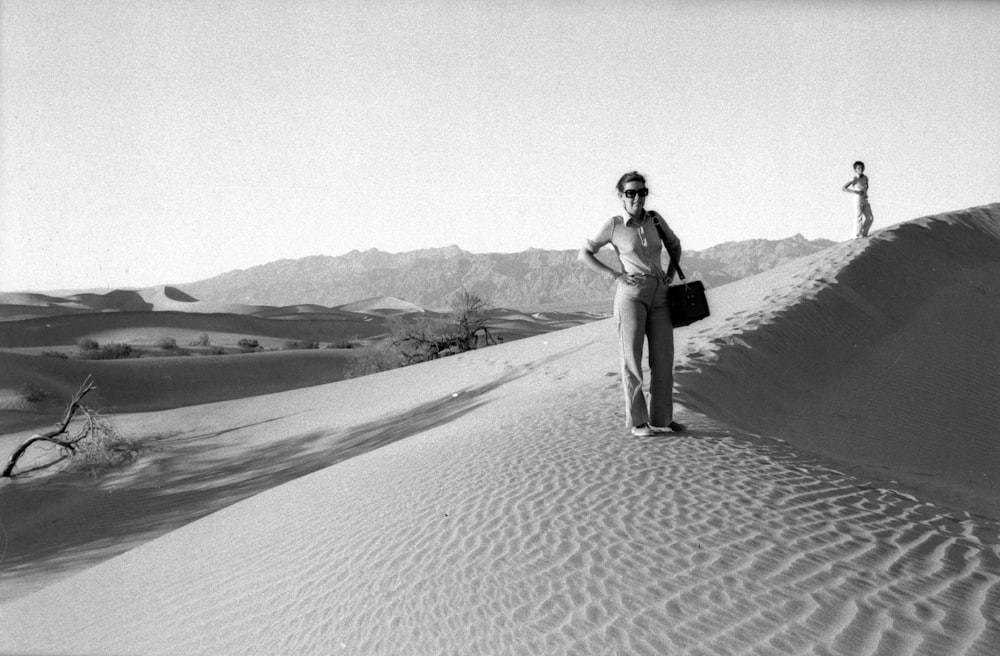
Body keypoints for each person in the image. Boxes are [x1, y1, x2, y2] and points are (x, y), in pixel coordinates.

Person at [578, 171, 686, 437]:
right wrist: (614, 275)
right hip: (631, 294)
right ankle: (639, 423)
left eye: (641, 192)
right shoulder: (614, 225)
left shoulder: (656, 220)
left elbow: (675, 245)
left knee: (663, 359)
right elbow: (584, 254)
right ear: (621, 195)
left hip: (660, 294)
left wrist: (669, 275)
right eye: (631, 193)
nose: (637, 197)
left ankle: (662, 419)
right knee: (632, 361)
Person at [842, 160, 874, 238]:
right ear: (855, 169)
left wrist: (866, 193)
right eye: (858, 168)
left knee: (870, 217)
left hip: (865, 198)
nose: (860, 169)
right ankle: (857, 236)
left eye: (862, 168)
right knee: (859, 217)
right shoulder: (854, 178)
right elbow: (844, 188)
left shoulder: (865, 177)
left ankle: (863, 233)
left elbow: (866, 186)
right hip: (857, 199)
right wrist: (855, 192)